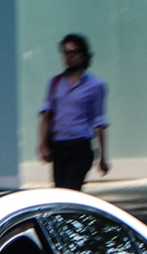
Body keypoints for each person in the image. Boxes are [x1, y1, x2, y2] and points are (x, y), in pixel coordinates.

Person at [39, 35, 109, 190]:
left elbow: (99, 121)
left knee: (72, 189)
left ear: (83, 54)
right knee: (60, 190)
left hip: (80, 145)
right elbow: (46, 115)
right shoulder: (55, 82)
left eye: (74, 52)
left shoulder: (95, 85)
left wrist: (103, 156)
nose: (69, 56)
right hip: (59, 146)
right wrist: (43, 144)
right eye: (66, 53)